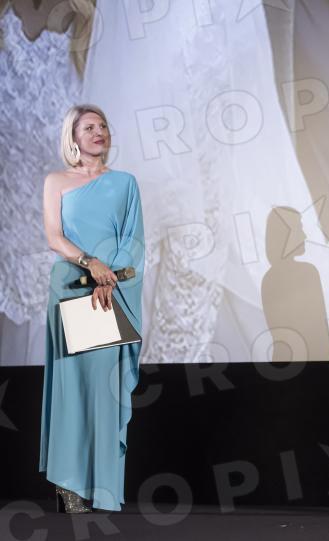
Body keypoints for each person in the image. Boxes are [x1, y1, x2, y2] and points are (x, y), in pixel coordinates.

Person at [39, 104, 144, 513]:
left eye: (102, 125)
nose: (98, 131)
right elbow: (54, 236)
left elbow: (133, 239)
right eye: (88, 127)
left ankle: (103, 488)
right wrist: (90, 263)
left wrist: (108, 278)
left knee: (104, 388)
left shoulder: (124, 183)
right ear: (73, 137)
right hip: (70, 289)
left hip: (109, 293)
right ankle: (68, 486)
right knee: (71, 389)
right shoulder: (56, 181)